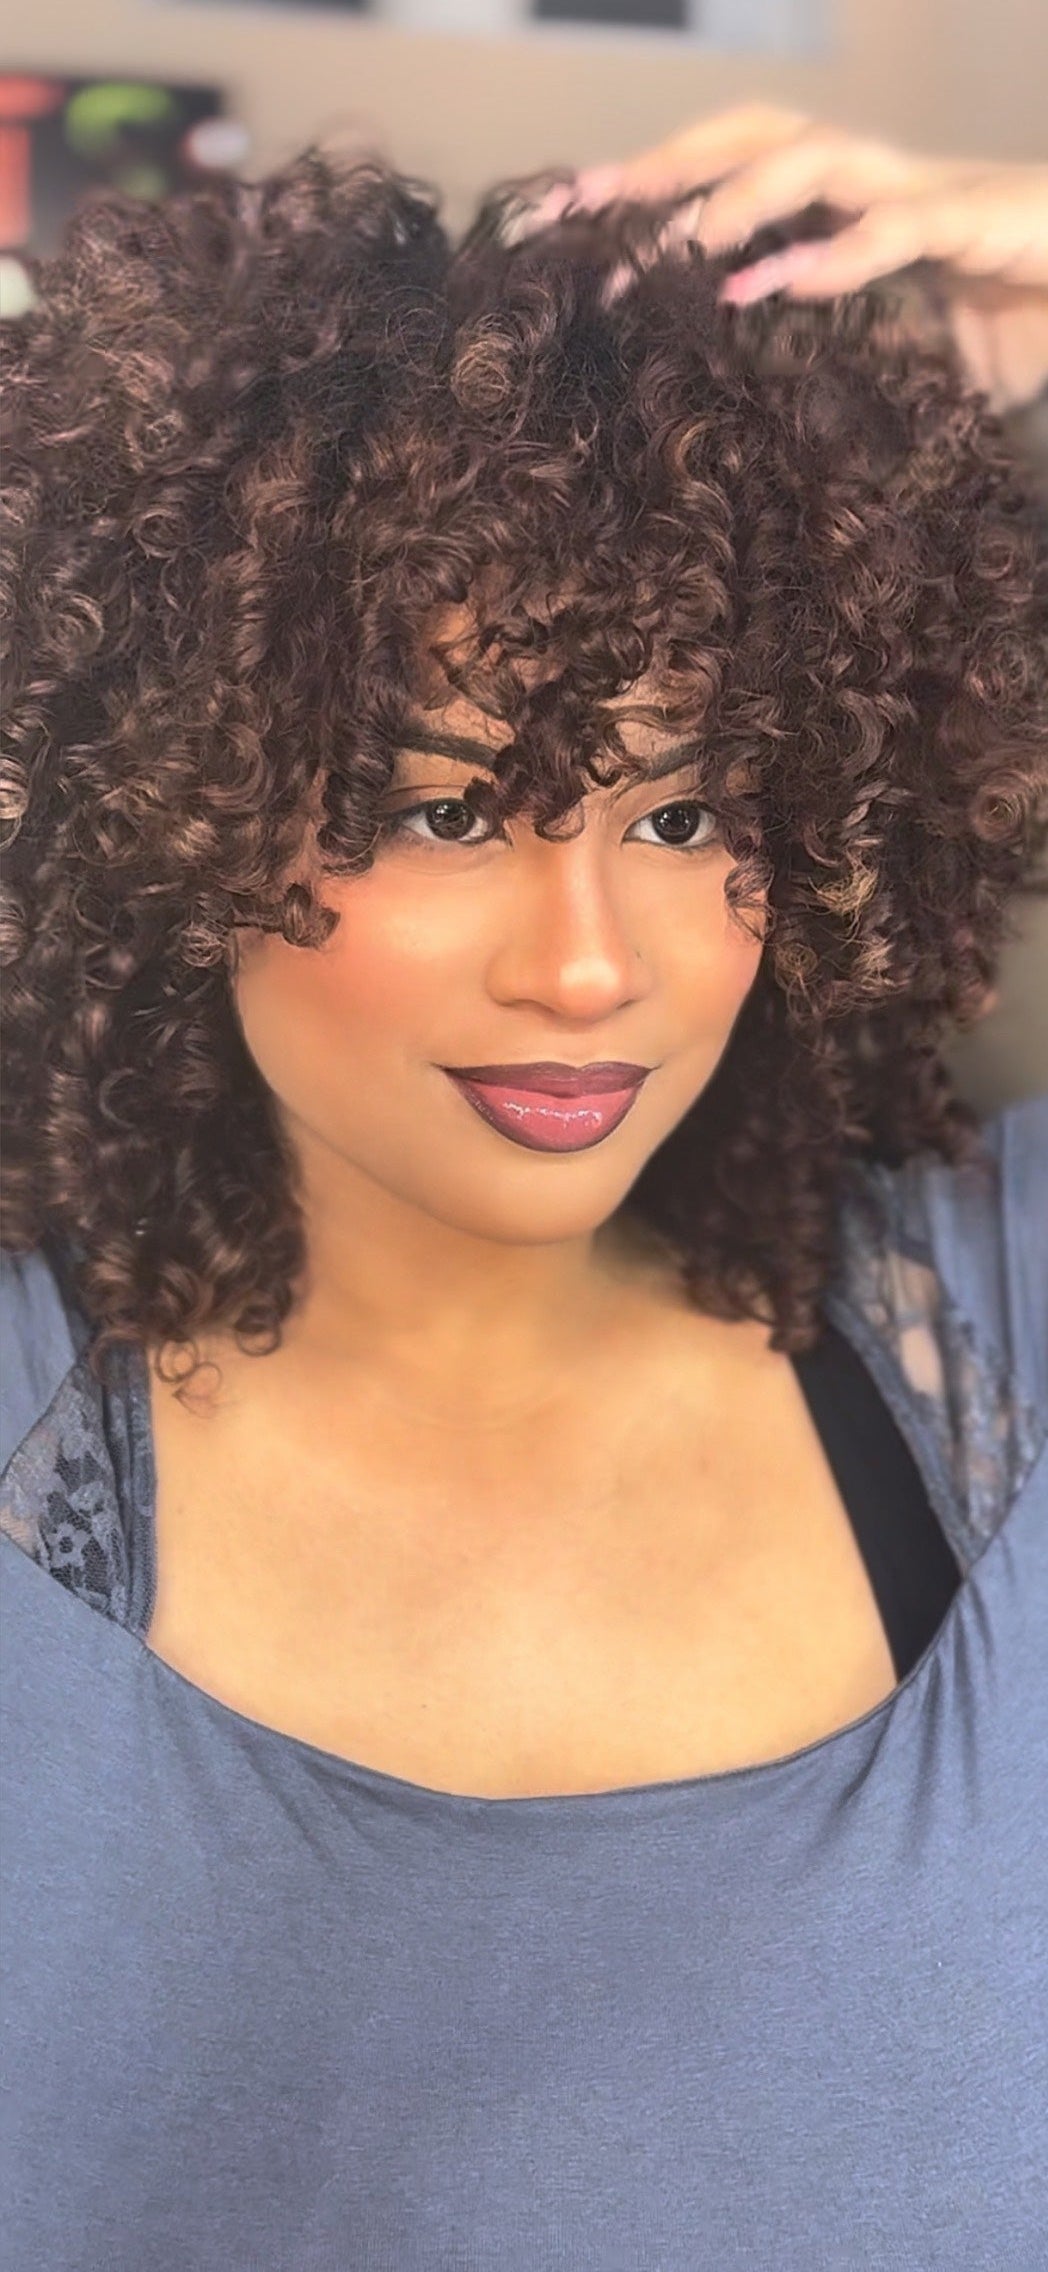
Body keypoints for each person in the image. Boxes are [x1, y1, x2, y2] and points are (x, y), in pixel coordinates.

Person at [1, 105, 1046, 2270]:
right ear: (180, 800)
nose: (587, 969)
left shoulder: (998, 1341)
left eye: (682, 818)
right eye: (446, 811)